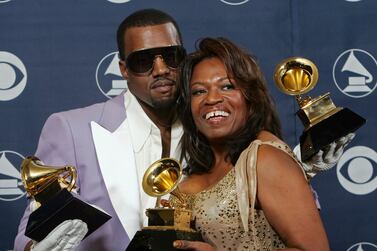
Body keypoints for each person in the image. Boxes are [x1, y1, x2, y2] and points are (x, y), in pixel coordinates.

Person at [14, 8, 351, 251]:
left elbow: (264, 201)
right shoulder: (71, 129)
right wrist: (36, 249)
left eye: (170, 56)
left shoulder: (209, 126)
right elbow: (33, 230)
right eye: (144, 61)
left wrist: (296, 171)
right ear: (123, 69)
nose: (160, 69)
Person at [170, 37, 330, 250]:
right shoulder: (194, 174)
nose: (211, 99)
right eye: (199, 91)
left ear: (250, 97)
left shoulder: (264, 158)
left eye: (227, 86)